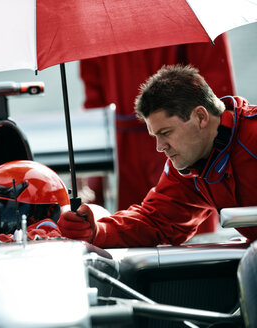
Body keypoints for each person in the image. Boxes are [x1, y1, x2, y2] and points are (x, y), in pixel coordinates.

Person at [58, 64, 257, 248]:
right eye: (155, 136)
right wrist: (95, 231)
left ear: (201, 117)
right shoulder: (189, 169)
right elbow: (154, 222)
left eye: (165, 133)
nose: (160, 147)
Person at [79, 35, 235, 234]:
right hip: (122, 146)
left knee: (193, 238)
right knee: (125, 238)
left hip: (180, 139)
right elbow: (94, 99)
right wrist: (90, 171)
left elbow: (216, 104)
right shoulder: (94, 16)